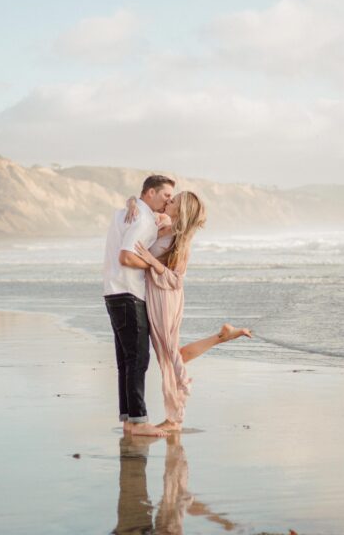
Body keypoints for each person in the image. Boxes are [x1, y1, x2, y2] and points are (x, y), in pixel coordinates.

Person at [127, 191, 252, 432]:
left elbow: (177, 280)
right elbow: (137, 201)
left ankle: (176, 416)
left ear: (181, 211)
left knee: (168, 354)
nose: (169, 201)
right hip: (155, 294)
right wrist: (132, 201)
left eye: (174, 201)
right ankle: (222, 336)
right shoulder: (163, 223)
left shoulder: (181, 242)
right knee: (173, 353)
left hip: (165, 298)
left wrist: (152, 262)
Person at [103, 174, 175, 437]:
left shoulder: (123, 213)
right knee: (138, 358)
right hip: (129, 292)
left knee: (126, 360)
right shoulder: (143, 219)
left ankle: (129, 421)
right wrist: (155, 266)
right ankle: (139, 420)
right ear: (150, 193)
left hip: (113, 292)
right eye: (165, 195)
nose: (168, 201)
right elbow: (126, 256)